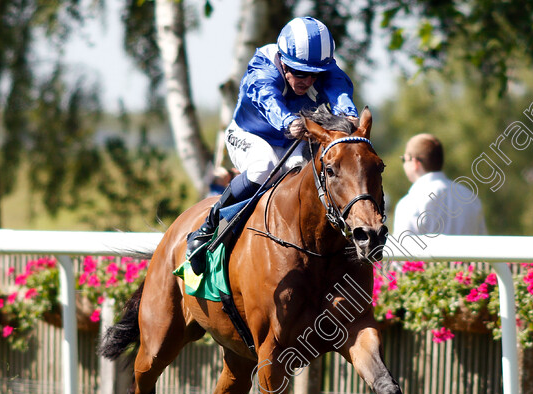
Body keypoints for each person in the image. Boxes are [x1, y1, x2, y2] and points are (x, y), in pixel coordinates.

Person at [186, 16, 359, 275]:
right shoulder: (262, 68)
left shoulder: (316, 68)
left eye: (314, 75)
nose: (307, 81)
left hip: (292, 141)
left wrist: (348, 112)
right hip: (249, 135)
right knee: (264, 167)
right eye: (299, 73)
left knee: (302, 176)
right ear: (282, 60)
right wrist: (288, 122)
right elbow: (267, 98)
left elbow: (337, 86)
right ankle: (208, 227)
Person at [391, 133, 488, 239]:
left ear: (415, 162)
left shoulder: (409, 203)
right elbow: (482, 245)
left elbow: (403, 252)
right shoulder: (470, 197)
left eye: (404, 159)